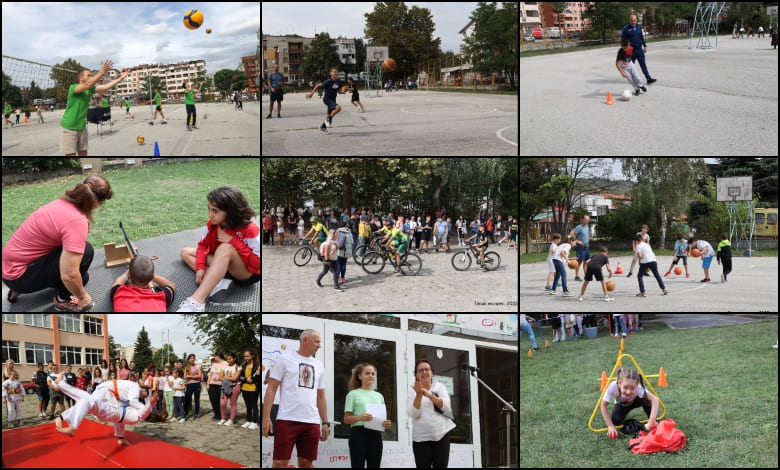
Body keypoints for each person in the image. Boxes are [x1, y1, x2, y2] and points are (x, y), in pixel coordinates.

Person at [262, 329, 329, 468]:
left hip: (311, 421)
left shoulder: (319, 365)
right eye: (317, 341)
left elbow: (321, 396)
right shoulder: (285, 359)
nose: (319, 345)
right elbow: (271, 389)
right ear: (305, 340)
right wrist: (266, 417)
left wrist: (325, 422)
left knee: (306, 463)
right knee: (280, 463)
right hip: (287, 419)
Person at [47, 373, 157, 446]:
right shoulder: (136, 388)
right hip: (106, 392)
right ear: (142, 389)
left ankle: (61, 387)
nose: (142, 397)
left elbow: (128, 416)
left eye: (144, 397)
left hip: (110, 402)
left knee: (86, 401)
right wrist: (149, 405)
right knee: (86, 400)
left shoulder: (135, 413)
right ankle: (64, 417)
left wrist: (150, 404)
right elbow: (133, 404)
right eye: (144, 394)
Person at [60, 60, 129, 155]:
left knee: (84, 154)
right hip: (69, 127)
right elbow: (88, 84)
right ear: (81, 77)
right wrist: (102, 71)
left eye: (91, 75)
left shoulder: (90, 89)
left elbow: (106, 87)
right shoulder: (73, 87)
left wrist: (120, 78)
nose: (91, 77)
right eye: (88, 75)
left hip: (81, 126)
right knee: (71, 156)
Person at [408, 359, 455, 468]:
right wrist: (419, 395)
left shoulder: (439, 387)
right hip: (421, 438)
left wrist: (428, 395)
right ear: (416, 374)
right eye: (420, 370)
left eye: (427, 369)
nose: (424, 372)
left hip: (441, 434)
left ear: (432, 373)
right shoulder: (412, 392)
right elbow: (413, 413)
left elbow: (446, 406)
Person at [344, 363, 392, 468]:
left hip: (376, 435)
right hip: (358, 434)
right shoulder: (352, 394)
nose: (371, 376)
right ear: (359, 376)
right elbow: (346, 419)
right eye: (367, 373)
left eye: (373, 374)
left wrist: (386, 423)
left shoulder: (379, 396)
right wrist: (359, 417)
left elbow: (382, 419)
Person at [600, 367, 660, 440]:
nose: (628, 392)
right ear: (619, 383)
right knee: (616, 420)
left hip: (637, 401)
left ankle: (654, 423)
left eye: (632, 388)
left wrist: (652, 419)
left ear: (636, 385)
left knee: (647, 400)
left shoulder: (638, 388)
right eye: (625, 387)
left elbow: (655, 400)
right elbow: (603, 406)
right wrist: (610, 426)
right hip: (622, 405)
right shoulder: (612, 386)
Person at [306, 67, 347, 134]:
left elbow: (339, 91)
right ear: (330, 73)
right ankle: (329, 120)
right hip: (327, 99)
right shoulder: (328, 81)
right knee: (338, 108)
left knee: (328, 114)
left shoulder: (338, 81)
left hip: (333, 99)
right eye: (334, 72)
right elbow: (317, 86)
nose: (336, 73)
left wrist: (343, 92)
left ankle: (323, 127)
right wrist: (311, 93)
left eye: (337, 72)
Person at [621, 15, 657, 85]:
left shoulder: (638, 27)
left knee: (643, 65)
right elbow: (623, 40)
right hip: (631, 51)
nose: (633, 22)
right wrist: (624, 50)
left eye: (634, 20)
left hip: (639, 50)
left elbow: (641, 37)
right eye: (632, 20)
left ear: (636, 20)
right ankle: (633, 80)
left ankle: (648, 78)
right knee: (631, 67)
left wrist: (645, 46)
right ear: (629, 20)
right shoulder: (626, 28)